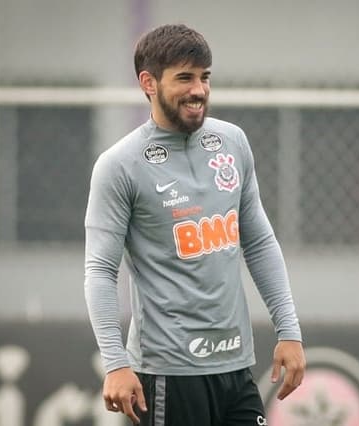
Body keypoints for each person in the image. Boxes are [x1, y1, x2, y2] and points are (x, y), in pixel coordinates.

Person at [84, 23, 306, 425]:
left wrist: (288, 330)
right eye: (184, 78)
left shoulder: (233, 143)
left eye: (205, 77)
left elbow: (258, 242)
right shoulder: (120, 166)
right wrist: (115, 363)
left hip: (236, 368)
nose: (199, 90)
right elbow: (100, 270)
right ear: (148, 83)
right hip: (169, 373)